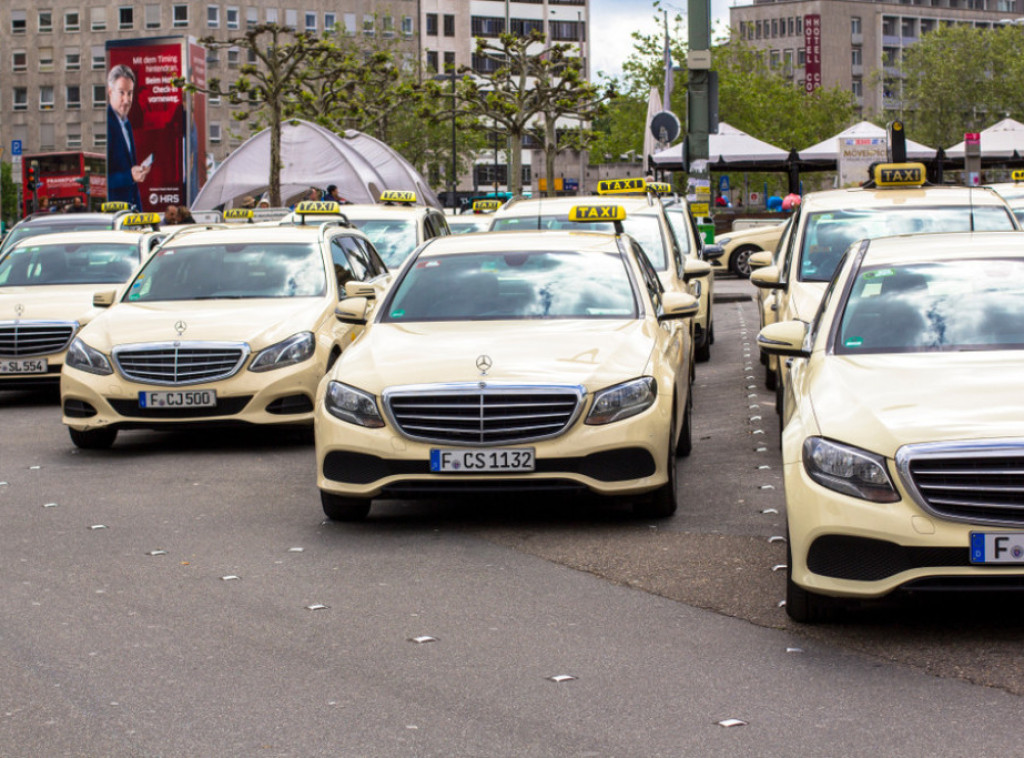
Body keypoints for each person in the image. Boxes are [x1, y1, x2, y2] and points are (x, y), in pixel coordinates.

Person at [106, 64, 150, 210]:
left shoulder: (126, 123)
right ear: (110, 92)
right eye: (122, 93)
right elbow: (101, 180)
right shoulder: (106, 124)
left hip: (130, 212)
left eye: (130, 93)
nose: (126, 99)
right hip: (113, 214)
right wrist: (129, 176)